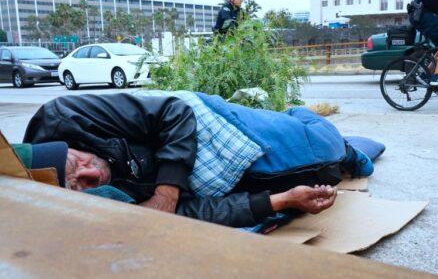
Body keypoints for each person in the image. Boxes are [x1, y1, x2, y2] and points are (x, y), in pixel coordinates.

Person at [21, 92, 373, 228]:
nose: (89, 174)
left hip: (212, 124)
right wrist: (281, 201)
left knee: (322, 151)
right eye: (78, 187)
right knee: (310, 184)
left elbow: (174, 111)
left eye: (74, 164)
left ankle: (341, 144)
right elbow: (195, 213)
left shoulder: (63, 116)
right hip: (209, 181)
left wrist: (167, 190)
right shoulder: (102, 208)